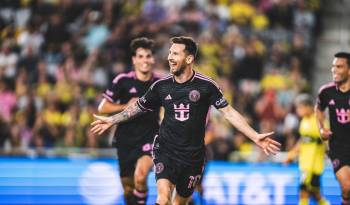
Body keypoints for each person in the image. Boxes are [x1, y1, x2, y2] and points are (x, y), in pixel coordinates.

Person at [91, 36, 281, 205]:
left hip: (193, 157)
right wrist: (112, 120)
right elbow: (137, 108)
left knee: (179, 202)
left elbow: (229, 113)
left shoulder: (206, 86)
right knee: (162, 199)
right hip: (165, 150)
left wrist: (255, 136)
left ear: (189, 59)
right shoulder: (161, 86)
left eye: (175, 53)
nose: (169, 57)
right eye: (169, 53)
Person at [97, 37, 160, 205]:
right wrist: (126, 105)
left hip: (150, 137)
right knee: (128, 189)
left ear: (153, 59)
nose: (145, 60)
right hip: (125, 139)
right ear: (134, 60)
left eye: (148, 56)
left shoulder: (160, 84)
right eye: (140, 56)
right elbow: (102, 107)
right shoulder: (122, 81)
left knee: (140, 177)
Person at [315, 52, 350, 205]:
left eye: (339, 66)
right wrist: (321, 129)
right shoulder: (325, 92)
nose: (334, 70)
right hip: (337, 148)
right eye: (333, 66)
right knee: (347, 186)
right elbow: (318, 110)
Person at [284, 94, 330, 205]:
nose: (298, 110)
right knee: (314, 194)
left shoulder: (319, 120)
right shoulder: (304, 121)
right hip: (305, 163)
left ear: (309, 106)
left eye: (300, 107)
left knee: (303, 190)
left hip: (314, 163)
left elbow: (327, 139)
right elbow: (303, 140)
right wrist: (291, 155)